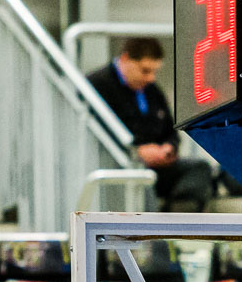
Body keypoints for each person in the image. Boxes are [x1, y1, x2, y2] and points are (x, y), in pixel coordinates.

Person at [86, 38, 214, 212]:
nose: (150, 78)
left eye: (154, 72)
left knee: (198, 168)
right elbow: (97, 134)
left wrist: (169, 149)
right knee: (142, 175)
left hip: (155, 166)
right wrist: (137, 152)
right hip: (120, 163)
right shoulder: (97, 85)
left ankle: (180, 222)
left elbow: (171, 129)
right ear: (125, 59)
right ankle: (155, 233)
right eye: (145, 70)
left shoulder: (151, 90)